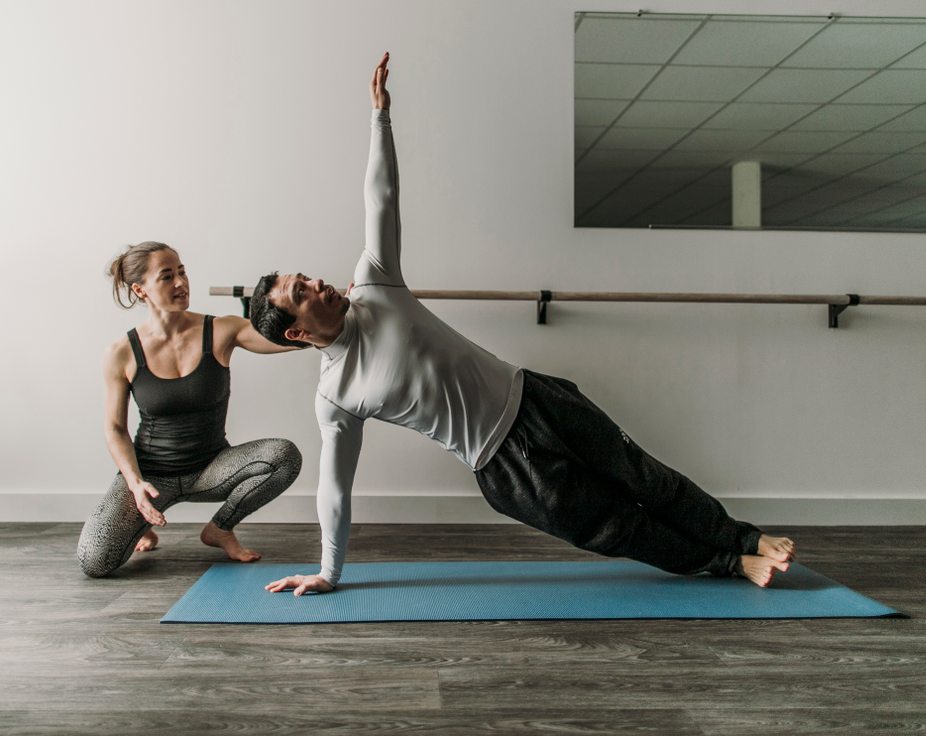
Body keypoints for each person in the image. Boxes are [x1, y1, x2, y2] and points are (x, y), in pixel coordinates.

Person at [250, 53, 796, 597]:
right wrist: (328, 571)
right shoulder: (336, 395)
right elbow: (334, 488)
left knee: (644, 477)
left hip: (536, 397)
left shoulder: (374, 283)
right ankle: (729, 560)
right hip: (506, 468)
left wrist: (380, 118)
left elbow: (382, 198)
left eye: (308, 277)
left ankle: (744, 537)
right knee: (619, 528)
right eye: (302, 292)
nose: (318, 283)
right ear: (296, 332)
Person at [77, 241, 303, 578]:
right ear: (141, 290)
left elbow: (289, 338)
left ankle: (220, 530)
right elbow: (115, 429)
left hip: (211, 468)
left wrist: (335, 316)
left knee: (284, 456)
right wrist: (136, 484)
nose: (181, 283)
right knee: (94, 562)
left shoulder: (221, 330)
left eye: (182, 272)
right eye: (167, 277)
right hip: (152, 477)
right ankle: (142, 524)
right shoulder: (121, 352)